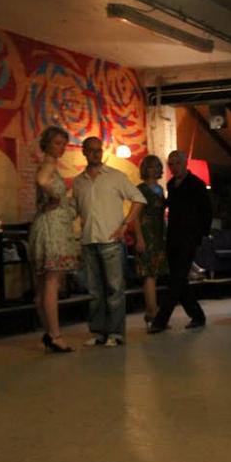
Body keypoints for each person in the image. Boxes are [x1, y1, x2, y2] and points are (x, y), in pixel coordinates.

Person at [73, 137, 145, 347]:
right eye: (91, 150)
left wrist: (125, 225)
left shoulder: (115, 176)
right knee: (94, 291)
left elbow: (138, 199)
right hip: (89, 240)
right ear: (84, 152)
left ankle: (116, 333)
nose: (96, 153)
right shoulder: (79, 182)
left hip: (111, 240)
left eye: (99, 150)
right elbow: (76, 208)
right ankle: (98, 332)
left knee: (114, 289)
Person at [28, 126, 81, 353]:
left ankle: (49, 332)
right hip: (52, 228)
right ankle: (56, 336)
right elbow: (42, 181)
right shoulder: (48, 165)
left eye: (63, 144)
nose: (62, 148)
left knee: (43, 286)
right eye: (58, 143)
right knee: (51, 283)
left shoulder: (48, 165)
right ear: (48, 144)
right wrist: (55, 195)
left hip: (45, 224)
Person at [148, 150, 211, 333]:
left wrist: (200, 236)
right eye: (171, 164)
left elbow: (206, 211)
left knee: (176, 280)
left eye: (177, 163)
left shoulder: (197, 184)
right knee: (179, 279)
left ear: (185, 164)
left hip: (189, 237)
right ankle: (197, 316)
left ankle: (160, 321)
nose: (174, 167)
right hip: (173, 237)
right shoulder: (171, 185)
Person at [133, 155, 168, 329]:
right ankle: (152, 314)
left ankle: (152, 314)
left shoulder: (160, 189)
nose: (154, 170)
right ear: (145, 169)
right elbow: (135, 217)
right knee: (148, 274)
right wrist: (139, 238)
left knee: (155, 273)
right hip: (146, 234)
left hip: (159, 232)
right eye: (150, 166)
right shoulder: (140, 189)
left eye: (156, 166)